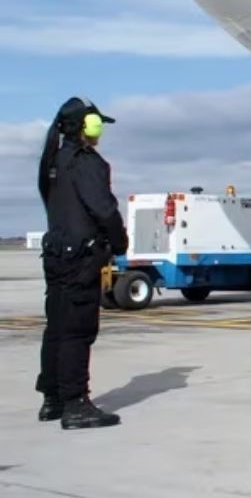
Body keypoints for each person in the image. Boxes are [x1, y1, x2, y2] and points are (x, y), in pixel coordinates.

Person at [35, 97, 128, 429]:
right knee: (78, 331)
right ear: (88, 126)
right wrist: (119, 242)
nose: (100, 130)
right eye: (98, 123)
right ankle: (76, 404)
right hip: (82, 258)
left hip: (57, 254)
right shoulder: (88, 163)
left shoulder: (53, 161)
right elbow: (103, 209)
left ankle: (53, 399)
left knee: (57, 327)